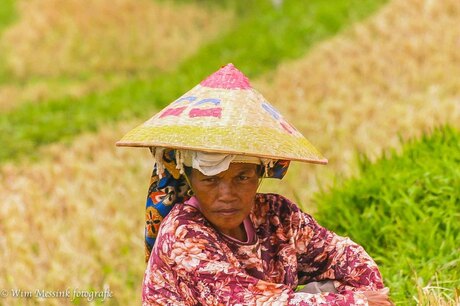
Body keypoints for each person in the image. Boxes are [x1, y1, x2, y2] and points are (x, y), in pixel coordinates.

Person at [117, 64, 393, 305]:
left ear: (260, 174)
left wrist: (366, 294)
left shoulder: (277, 216)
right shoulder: (183, 234)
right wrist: (355, 302)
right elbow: (247, 302)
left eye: (242, 177)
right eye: (210, 180)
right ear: (189, 178)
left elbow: (344, 257)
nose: (227, 195)